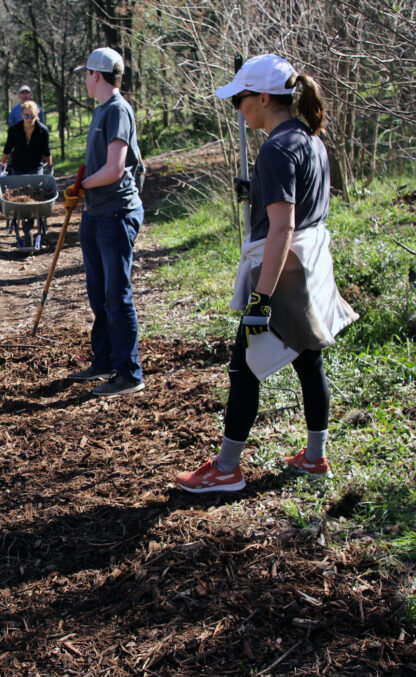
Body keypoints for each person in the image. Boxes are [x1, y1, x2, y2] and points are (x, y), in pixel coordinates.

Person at [175, 54, 358, 494]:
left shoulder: (276, 149)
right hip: (311, 264)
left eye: (240, 98)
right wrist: (256, 190)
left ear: (261, 98)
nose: (237, 106)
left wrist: (261, 297)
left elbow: (283, 227)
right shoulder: (308, 137)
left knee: (244, 369)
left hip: (284, 271)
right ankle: (315, 458)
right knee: (308, 357)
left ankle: (226, 470)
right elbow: (298, 208)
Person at [68, 48, 146, 396]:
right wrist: (83, 190)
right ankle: (104, 362)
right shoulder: (101, 110)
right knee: (99, 296)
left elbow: (115, 170)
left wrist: (81, 185)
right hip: (96, 213)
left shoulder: (117, 110)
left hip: (115, 213)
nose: (84, 80)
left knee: (117, 297)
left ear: (95, 75)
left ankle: (129, 373)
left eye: (86, 74)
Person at [0, 100, 53, 176]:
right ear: (22, 115)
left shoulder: (42, 130)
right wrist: (3, 165)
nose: (29, 119)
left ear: (36, 115)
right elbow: (7, 149)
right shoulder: (14, 130)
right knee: (17, 187)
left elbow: (46, 151)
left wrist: (50, 166)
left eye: (32, 116)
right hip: (18, 167)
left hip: (35, 166)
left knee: (35, 187)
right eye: (26, 116)